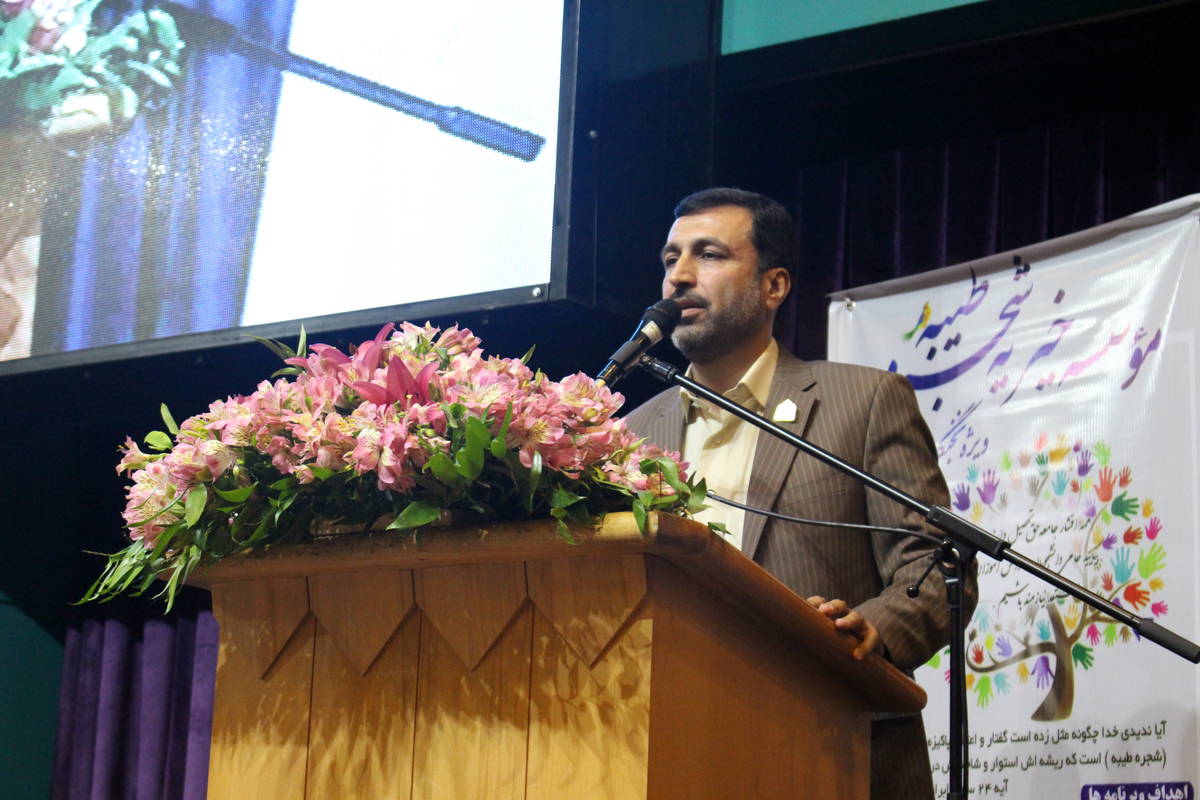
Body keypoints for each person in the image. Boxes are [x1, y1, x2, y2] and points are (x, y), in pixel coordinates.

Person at [623, 187, 976, 800]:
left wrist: (869, 630)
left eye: (709, 254)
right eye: (670, 258)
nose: (679, 276)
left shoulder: (862, 402)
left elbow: (934, 566)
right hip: (667, 753)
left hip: (832, 748)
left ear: (774, 286)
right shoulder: (631, 434)